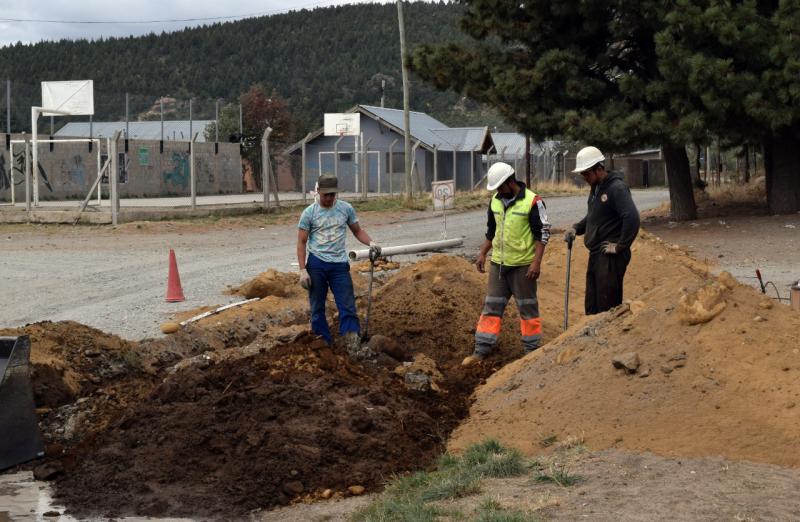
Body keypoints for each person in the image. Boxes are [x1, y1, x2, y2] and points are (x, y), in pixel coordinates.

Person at [463, 162, 551, 367]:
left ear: (511, 182)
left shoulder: (533, 201)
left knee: (527, 309)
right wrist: (483, 253)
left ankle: (532, 354)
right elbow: (491, 231)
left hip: (523, 265)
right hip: (499, 264)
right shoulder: (495, 201)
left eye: (501, 188)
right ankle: (481, 351)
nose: (499, 193)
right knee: (491, 307)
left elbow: (543, 234)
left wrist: (536, 263)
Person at [297, 173, 380, 350]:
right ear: (318, 191)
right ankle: (322, 342)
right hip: (316, 264)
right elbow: (302, 242)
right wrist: (302, 270)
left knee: (347, 304)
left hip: (339, 266)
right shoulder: (309, 213)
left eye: (332, 195)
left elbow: (357, 231)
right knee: (317, 306)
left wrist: (371, 242)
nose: (328, 198)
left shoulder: (346, 209)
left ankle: (352, 342)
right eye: (325, 194)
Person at [565, 146, 640, 315]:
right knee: (592, 304)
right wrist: (576, 228)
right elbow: (594, 216)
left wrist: (620, 246)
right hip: (596, 253)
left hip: (610, 257)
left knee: (607, 306)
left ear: (598, 169)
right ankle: (592, 339)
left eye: (586, 174)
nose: (584, 178)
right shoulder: (596, 188)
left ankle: (607, 340)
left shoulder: (616, 188)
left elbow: (632, 218)